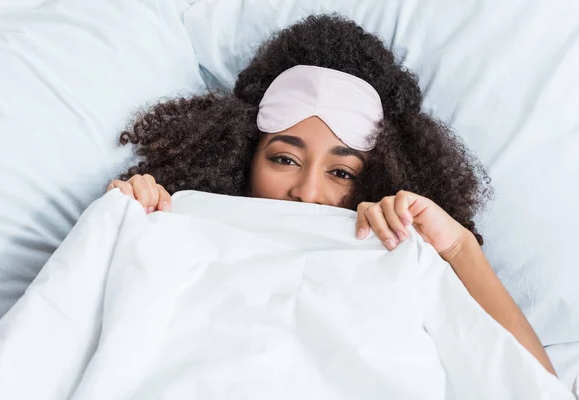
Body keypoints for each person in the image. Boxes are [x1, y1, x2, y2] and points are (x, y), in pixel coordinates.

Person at [106, 14, 556, 375]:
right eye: (284, 159)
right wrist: (121, 222)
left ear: (376, 176)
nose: (308, 192)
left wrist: (457, 246)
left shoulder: (402, 250)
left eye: (341, 171)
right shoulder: (179, 224)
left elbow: (532, 383)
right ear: (241, 155)